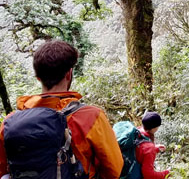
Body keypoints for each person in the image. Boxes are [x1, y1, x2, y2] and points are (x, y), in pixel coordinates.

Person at [0, 39, 124, 179]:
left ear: (38, 78)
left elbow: (3, 170)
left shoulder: (9, 123)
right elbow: (114, 168)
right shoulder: (91, 117)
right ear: (69, 74)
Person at [136, 111, 170, 179]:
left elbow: (139, 151)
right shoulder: (149, 148)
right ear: (154, 128)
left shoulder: (138, 131)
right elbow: (149, 175)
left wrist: (156, 148)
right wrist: (167, 173)